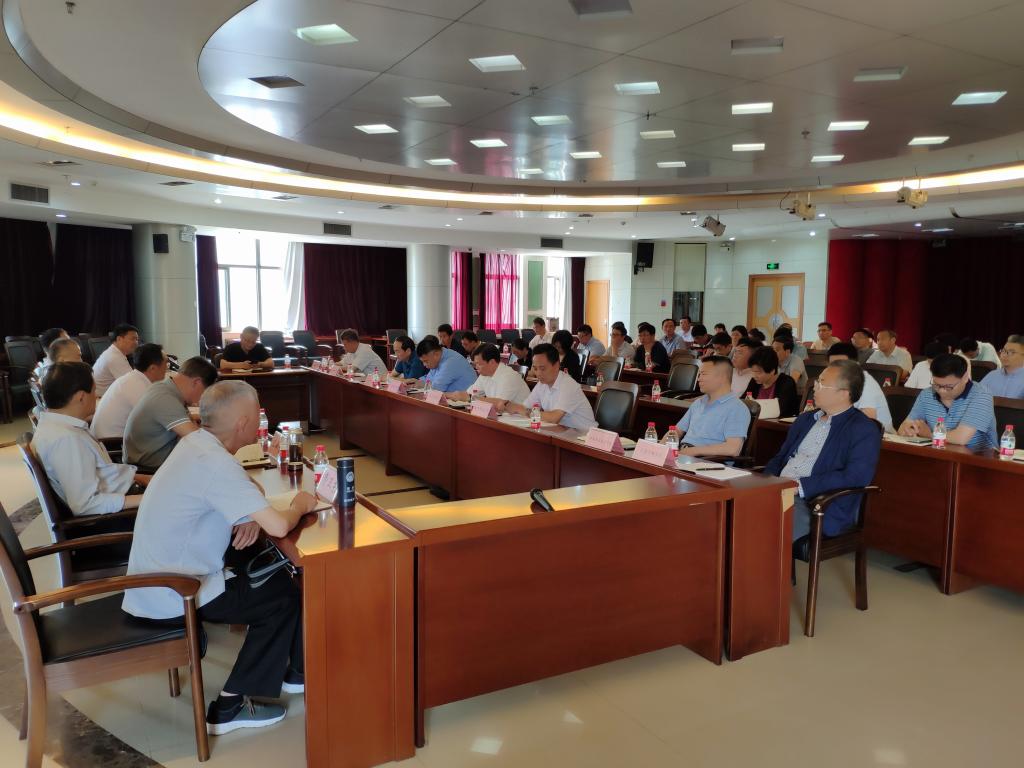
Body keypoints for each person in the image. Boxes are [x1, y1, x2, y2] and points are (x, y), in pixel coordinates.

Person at [122, 380, 315, 734]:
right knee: (282, 597)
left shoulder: (196, 444)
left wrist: (250, 517)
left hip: (158, 575)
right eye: (257, 413)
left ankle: (296, 671)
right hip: (174, 590)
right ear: (243, 423)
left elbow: (247, 488)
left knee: (266, 563)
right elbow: (278, 525)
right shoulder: (214, 463)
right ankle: (230, 705)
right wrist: (300, 504)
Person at [763, 360, 882, 541]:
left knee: (764, 525)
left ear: (844, 394)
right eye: (817, 382)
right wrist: (765, 482)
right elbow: (780, 458)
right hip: (780, 490)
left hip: (817, 503)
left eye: (822, 384)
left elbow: (855, 476)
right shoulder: (805, 419)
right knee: (737, 510)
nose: (815, 387)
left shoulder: (863, 429)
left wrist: (799, 487)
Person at [32, 362, 146, 516]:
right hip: (115, 515)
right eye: (94, 391)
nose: (96, 396)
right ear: (81, 397)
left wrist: (140, 477)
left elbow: (101, 472)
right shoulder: (66, 440)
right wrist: (147, 498)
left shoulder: (55, 426)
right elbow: (86, 505)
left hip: (123, 489)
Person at [124, 356, 218, 473]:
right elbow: (196, 438)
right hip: (148, 468)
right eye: (205, 392)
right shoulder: (165, 398)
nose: (201, 399)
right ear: (196, 382)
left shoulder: (164, 387)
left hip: (153, 458)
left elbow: (190, 424)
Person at [898, 353, 998, 450]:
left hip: (978, 457)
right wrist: (908, 430)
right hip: (938, 453)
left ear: (965, 378)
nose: (942, 391)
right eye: (937, 384)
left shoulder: (981, 394)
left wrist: (928, 434)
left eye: (948, 387)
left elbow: (961, 438)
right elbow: (904, 426)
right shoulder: (927, 394)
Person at [500, 344, 597, 431]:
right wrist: (511, 406)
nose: (538, 373)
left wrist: (523, 410)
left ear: (557, 365)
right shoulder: (542, 384)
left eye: (542, 368)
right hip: (561, 431)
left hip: (584, 436)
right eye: (535, 368)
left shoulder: (568, 385)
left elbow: (554, 418)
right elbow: (526, 406)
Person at [669, 357, 751, 457]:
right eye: (699, 374)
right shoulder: (698, 403)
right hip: (684, 454)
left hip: (707, 461)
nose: (699, 379)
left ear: (722, 377)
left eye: (704, 374)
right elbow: (677, 430)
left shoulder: (737, 408)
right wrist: (661, 448)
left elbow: (733, 449)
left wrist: (694, 451)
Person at [91, 343, 168, 439]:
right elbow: (160, 419)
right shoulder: (137, 386)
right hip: (112, 442)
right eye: (166, 363)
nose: (167, 367)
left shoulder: (134, 378)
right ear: (153, 368)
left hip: (108, 437)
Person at [827, 343, 894, 432]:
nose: (836, 369)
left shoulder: (865, 382)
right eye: (833, 365)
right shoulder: (839, 381)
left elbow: (868, 420)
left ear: (855, 363)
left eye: (841, 364)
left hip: (882, 436)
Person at [450, 344, 531, 404]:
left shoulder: (509, 377)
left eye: (479, 364)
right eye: (475, 364)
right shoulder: (484, 374)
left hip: (520, 419)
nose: (476, 367)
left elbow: (499, 404)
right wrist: (446, 395)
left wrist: (473, 398)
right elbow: (469, 395)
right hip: (501, 417)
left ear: (492, 362)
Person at [747, 346, 800, 417]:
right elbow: (744, 402)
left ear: (772, 371)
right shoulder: (754, 382)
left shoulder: (786, 383)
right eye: (752, 371)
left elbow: (780, 410)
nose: (754, 375)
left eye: (758, 372)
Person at [93, 323, 141, 396]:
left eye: (137, 339)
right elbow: (133, 383)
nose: (136, 342)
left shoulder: (113, 352)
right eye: (133, 339)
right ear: (119, 339)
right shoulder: (114, 357)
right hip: (100, 398)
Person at [980, 335, 1024, 399]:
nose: (1004, 355)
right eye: (1003, 351)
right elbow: (976, 396)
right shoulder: (992, 375)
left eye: (1011, 352)